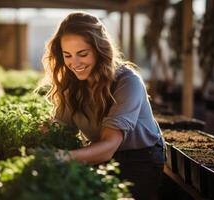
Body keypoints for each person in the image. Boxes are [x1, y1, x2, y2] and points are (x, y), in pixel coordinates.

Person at [42, 11, 165, 200]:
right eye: (67, 55)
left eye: (82, 54)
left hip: (140, 158)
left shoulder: (127, 82)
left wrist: (62, 157)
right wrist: (32, 138)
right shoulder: (72, 84)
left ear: (100, 50)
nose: (74, 63)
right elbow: (60, 127)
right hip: (98, 152)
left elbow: (108, 146)